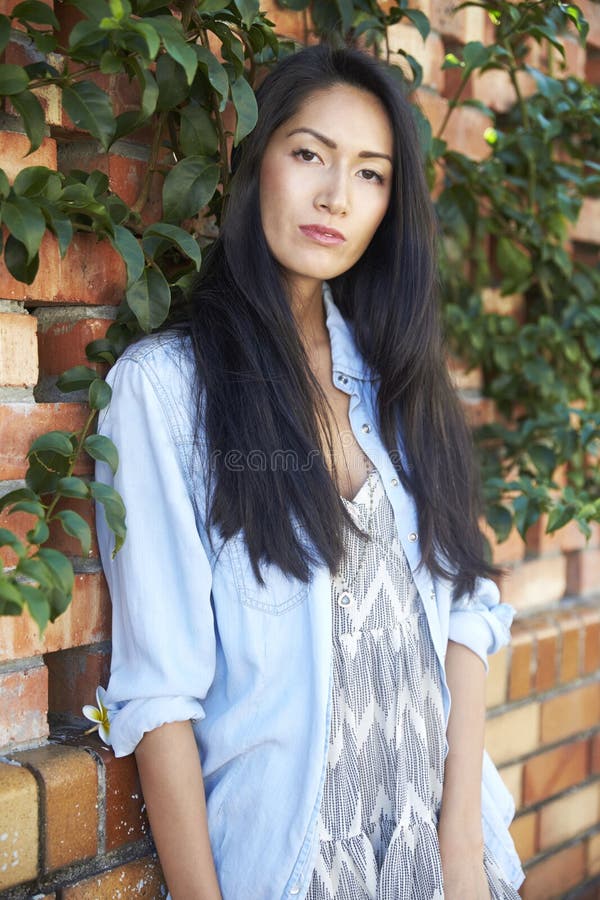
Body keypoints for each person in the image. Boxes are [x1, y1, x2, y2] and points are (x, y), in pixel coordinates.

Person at [96, 44, 524, 900]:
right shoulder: (167, 391)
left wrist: (463, 859)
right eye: (309, 156)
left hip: (448, 868)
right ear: (257, 167)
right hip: (294, 874)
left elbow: (467, 609)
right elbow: (160, 697)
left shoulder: (399, 373)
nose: (336, 197)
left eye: (370, 174)